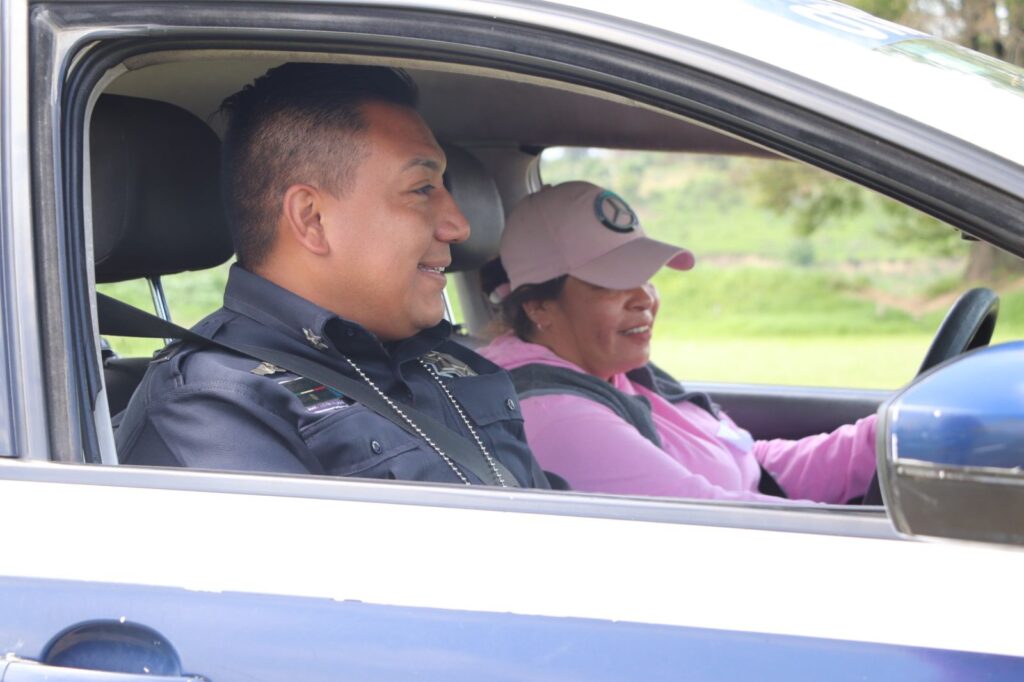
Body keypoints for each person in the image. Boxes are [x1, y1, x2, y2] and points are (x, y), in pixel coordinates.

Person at [116, 63, 549, 489]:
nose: (459, 225)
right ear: (312, 219)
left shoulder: (452, 362)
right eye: (422, 189)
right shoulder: (217, 404)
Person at [479, 181, 876, 502]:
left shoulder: (615, 375)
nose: (644, 298)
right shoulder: (554, 414)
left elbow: (746, 460)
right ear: (538, 307)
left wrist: (880, 439)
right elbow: (721, 524)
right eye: (612, 282)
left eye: (645, 276)